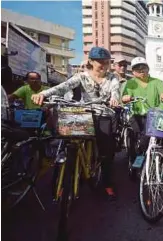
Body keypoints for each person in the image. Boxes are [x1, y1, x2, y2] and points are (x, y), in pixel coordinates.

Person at [31, 46, 120, 199]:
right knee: (69, 142)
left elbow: (115, 91)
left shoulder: (112, 78)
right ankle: (69, 172)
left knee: (106, 152)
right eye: (100, 61)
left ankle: (107, 183)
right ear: (91, 61)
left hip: (103, 114)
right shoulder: (81, 76)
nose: (104, 65)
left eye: (106, 61)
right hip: (82, 113)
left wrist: (114, 99)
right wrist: (42, 93)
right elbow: (62, 87)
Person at [121, 57, 163, 161]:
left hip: (154, 115)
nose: (141, 70)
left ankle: (161, 161)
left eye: (143, 67)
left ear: (148, 69)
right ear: (133, 71)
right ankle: (138, 160)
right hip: (137, 116)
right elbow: (124, 97)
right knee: (141, 139)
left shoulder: (156, 82)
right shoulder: (131, 83)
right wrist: (126, 98)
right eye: (137, 68)